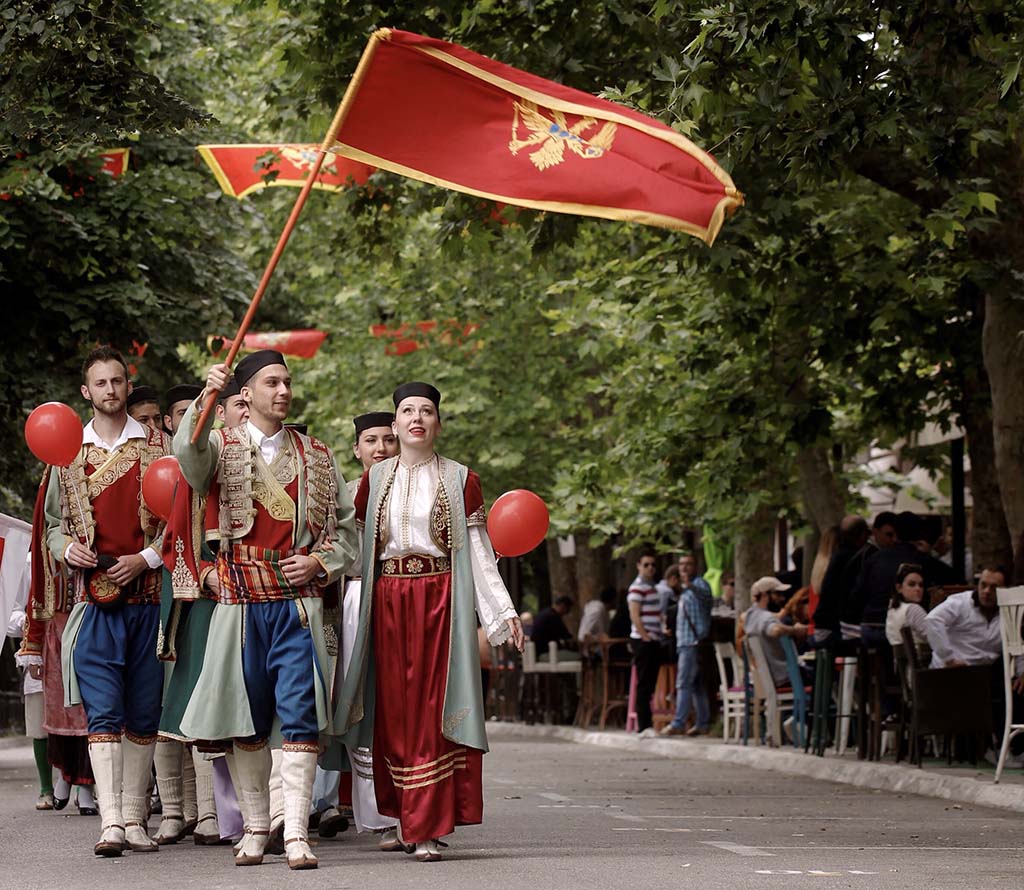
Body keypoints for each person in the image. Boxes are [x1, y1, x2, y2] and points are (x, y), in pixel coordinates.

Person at [172, 350, 358, 870]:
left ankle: (295, 832)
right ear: (246, 395)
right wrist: (207, 396)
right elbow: (186, 453)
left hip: (296, 604)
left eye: (287, 382)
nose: (283, 391)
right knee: (247, 719)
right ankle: (256, 829)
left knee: (298, 715)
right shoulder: (218, 446)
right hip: (240, 604)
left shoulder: (317, 455)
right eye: (271, 383)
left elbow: (346, 532)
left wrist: (320, 564)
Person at [334, 382, 523, 862]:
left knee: (432, 713)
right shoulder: (374, 482)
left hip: (441, 602)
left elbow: (479, 554)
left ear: (437, 423)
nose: (417, 417)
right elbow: (351, 549)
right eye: (407, 411)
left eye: (426, 411)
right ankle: (406, 815)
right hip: (388, 603)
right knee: (394, 711)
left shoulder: (462, 480)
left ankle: (427, 826)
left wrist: (502, 613)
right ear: (395, 424)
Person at [46, 346, 170, 856]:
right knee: (102, 711)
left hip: (147, 599)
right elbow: (53, 525)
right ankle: (111, 823)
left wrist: (148, 557)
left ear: (127, 383)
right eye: (101, 383)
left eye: (118, 381)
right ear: (86, 391)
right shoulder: (66, 451)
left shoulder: (159, 446)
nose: (111, 390)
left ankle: (136, 820)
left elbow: (180, 521)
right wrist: (65, 547)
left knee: (143, 714)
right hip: (94, 604)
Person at [336, 410, 401, 849]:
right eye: (371, 441)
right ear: (357, 449)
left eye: (388, 441)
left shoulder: (417, 489)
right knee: (363, 702)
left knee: (403, 700)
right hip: (359, 601)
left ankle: (410, 808)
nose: (380, 449)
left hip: (404, 599)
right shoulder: (347, 495)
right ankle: (377, 814)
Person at [16, 470, 97, 816]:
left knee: (88, 708)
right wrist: (32, 643)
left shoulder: (95, 532)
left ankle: (87, 786)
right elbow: (36, 592)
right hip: (55, 629)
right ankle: (63, 778)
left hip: (88, 620)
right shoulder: (45, 551)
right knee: (59, 709)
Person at [854, 511, 957, 647]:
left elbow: (856, 595)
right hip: (901, 629)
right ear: (920, 535)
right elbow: (955, 581)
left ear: (895, 533)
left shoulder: (873, 559)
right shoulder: (924, 560)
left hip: (869, 627)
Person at [660, 559, 712, 737]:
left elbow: (705, 597)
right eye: (681, 564)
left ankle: (678, 722)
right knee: (696, 685)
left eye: (688, 564)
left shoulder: (700, 585)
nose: (684, 567)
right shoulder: (684, 591)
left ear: (695, 567)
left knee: (683, 683)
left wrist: (689, 585)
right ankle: (702, 722)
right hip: (684, 642)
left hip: (692, 642)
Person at [742, 577, 808, 688]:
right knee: (827, 674)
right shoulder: (765, 617)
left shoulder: (750, 616)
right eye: (777, 594)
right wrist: (795, 630)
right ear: (764, 595)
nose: (781, 598)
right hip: (785, 677)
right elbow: (775, 630)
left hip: (768, 677)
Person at [627, 550, 662, 734]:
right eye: (646, 564)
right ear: (639, 565)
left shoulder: (652, 586)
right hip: (643, 640)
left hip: (654, 638)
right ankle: (644, 725)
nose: (650, 568)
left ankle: (647, 723)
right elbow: (634, 614)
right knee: (644, 684)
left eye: (653, 565)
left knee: (650, 683)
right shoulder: (637, 587)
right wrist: (645, 636)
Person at [885, 563, 929, 650]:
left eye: (921, 585)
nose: (918, 589)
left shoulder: (892, 609)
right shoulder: (913, 609)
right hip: (921, 661)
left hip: (900, 662)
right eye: (912, 584)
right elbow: (934, 638)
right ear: (899, 588)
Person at [531, 595, 578, 660]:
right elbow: (566, 635)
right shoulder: (553, 617)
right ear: (563, 606)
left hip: (540, 652)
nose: (567, 613)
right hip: (545, 653)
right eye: (568, 609)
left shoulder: (546, 613)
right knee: (578, 657)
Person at [578, 587, 615, 654]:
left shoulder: (603, 609)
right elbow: (585, 633)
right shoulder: (596, 610)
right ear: (613, 600)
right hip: (593, 648)